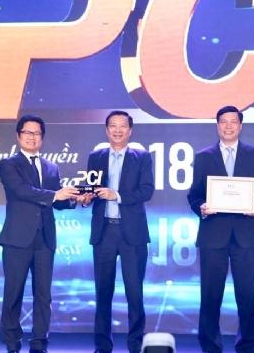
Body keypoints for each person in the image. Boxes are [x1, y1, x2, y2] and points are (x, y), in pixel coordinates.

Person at [187, 105, 254, 353]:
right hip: (213, 236)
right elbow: (194, 194)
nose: (228, 126)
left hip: (246, 235)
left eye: (233, 122)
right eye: (223, 122)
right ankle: (210, 347)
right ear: (217, 125)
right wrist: (201, 208)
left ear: (240, 126)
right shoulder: (203, 157)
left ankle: (248, 346)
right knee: (210, 296)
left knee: (247, 295)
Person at [0, 114, 81, 353]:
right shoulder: (9, 164)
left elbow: (57, 201)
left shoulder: (51, 167)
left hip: (45, 239)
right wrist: (56, 195)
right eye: (27, 132)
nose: (32, 137)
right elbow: (22, 191)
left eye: (37, 133)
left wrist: (76, 199)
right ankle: (12, 343)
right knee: (13, 293)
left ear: (42, 138)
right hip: (17, 239)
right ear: (18, 135)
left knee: (43, 296)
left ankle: (39, 343)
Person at [84, 110, 155, 353]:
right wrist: (87, 197)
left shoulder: (142, 157)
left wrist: (116, 195)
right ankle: (102, 346)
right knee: (103, 293)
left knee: (134, 294)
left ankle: (135, 346)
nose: (117, 130)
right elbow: (92, 188)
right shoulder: (96, 157)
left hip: (132, 234)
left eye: (122, 126)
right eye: (112, 126)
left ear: (130, 130)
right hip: (104, 232)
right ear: (106, 130)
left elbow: (147, 191)